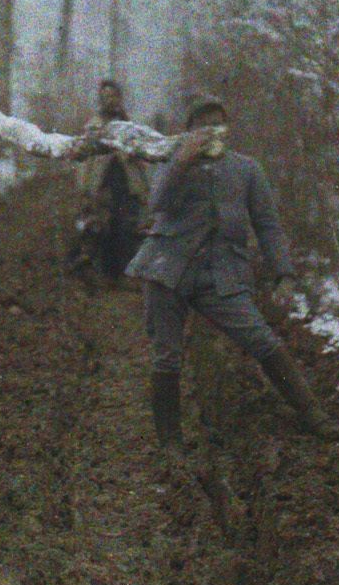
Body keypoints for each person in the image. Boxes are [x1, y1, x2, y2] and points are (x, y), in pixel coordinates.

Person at [126, 95, 328, 444]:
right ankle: (170, 444)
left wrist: (284, 274)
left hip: (221, 274)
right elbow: (156, 202)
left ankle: (314, 414)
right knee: (167, 356)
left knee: (261, 339)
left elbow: (267, 225)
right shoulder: (170, 161)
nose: (212, 131)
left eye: (218, 124)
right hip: (167, 268)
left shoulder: (246, 169)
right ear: (189, 131)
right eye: (203, 126)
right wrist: (181, 162)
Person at [68, 79, 147, 286]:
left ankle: (124, 274)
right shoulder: (93, 127)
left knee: (127, 228)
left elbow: (140, 158)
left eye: (113, 96)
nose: (109, 100)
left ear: (119, 99)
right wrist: (84, 189)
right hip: (102, 186)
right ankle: (105, 275)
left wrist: (142, 186)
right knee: (102, 227)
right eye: (105, 97)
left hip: (126, 185)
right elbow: (86, 162)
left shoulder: (129, 126)